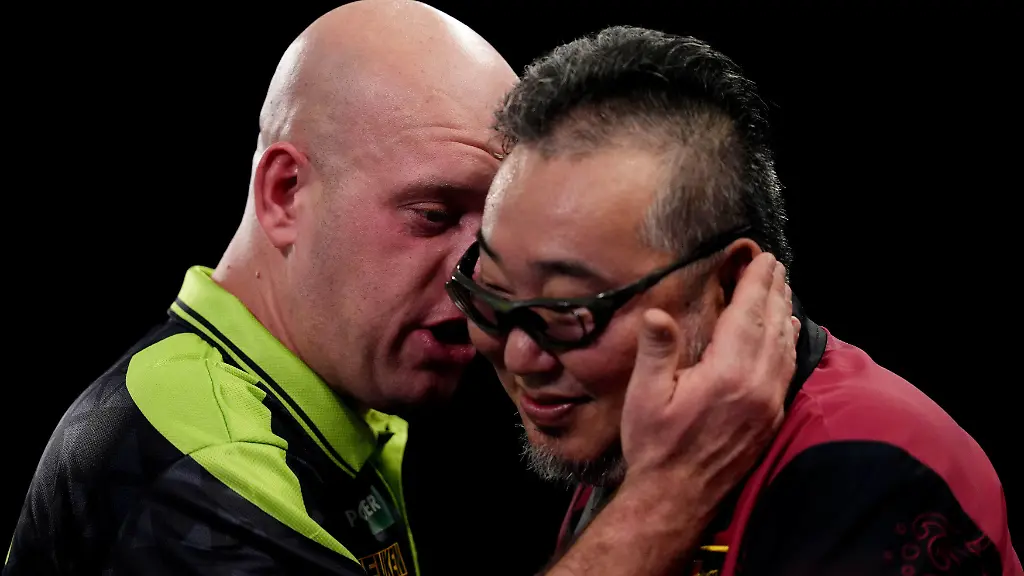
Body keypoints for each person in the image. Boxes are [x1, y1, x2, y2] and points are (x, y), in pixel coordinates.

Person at [5, 4, 802, 576]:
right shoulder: (198, 461)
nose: (479, 278)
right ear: (284, 194)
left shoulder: (328, 403)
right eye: (433, 215)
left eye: (489, 231)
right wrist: (670, 492)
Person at [450, 25, 1022, 576]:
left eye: (567, 309)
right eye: (493, 294)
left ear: (728, 284)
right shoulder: (645, 427)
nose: (519, 355)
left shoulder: (871, 469)